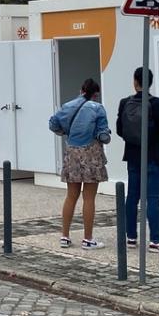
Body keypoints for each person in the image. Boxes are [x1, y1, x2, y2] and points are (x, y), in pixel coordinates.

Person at [116, 67, 159, 253]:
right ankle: (155, 240)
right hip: (154, 156)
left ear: (135, 82)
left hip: (133, 156)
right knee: (152, 199)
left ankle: (131, 238)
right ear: (150, 82)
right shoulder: (157, 104)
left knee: (132, 197)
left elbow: (120, 129)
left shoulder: (125, 102)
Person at [48, 78, 110, 250]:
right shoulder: (98, 108)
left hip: (72, 153)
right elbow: (103, 134)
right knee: (89, 198)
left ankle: (65, 236)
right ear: (95, 94)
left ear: (81, 90)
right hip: (91, 154)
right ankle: (88, 239)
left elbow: (53, 124)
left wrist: (65, 132)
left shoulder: (67, 106)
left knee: (71, 195)